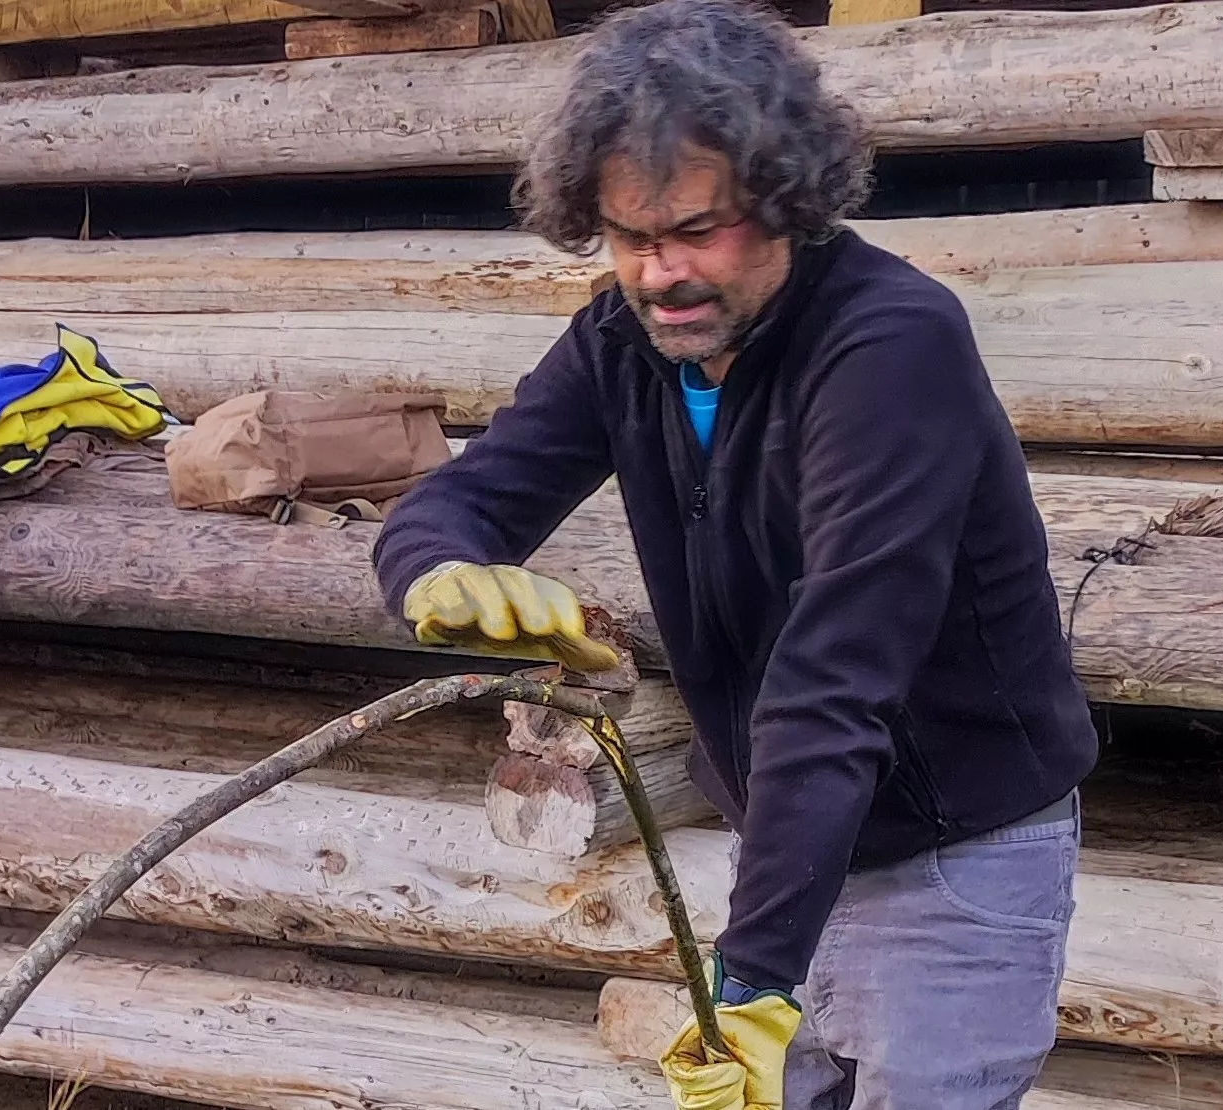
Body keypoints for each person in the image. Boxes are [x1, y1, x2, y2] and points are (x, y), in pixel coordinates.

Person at [370, 1, 1099, 1106]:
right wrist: (438, 574)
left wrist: (753, 981)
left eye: (697, 230)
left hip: (953, 848)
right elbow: (468, 495)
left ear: (786, 201)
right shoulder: (622, 343)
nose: (662, 273)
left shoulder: (889, 347)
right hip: (789, 839)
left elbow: (835, 674)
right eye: (631, 238)